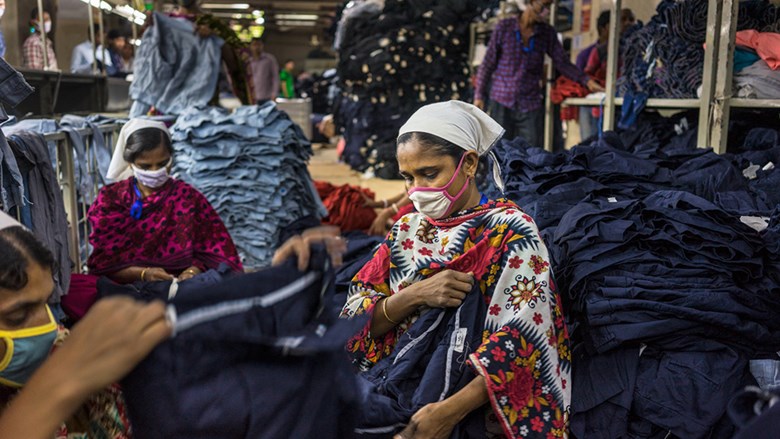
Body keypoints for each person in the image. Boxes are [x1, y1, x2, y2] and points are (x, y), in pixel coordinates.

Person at [341, 101, 571, 437]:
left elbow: (525, 339)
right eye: (408, 177)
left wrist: (447, 413)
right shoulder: (406, 231)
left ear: (469, 164)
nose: (417, 189)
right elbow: (353, 318)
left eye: (430, 173)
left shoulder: (509, 232)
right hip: (390, 387)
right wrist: (414, 295)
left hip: (467, 405)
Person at [0, 212, 169, 439]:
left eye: (47, 302)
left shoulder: (63, 349)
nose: (48, 328)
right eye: (18, 315)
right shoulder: (63, 371)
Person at [87, 119, 243, 282]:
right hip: (127, 289)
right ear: (130, 163)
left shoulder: (187, 198)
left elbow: (216, 252)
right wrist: (144, 274)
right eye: (145, 166)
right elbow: (102, 264)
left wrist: (191, 272)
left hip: (184, 288)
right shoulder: (111, 199)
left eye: (162, 164)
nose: (155, 172)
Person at [474, 0, 602, 148]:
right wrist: (479, 96)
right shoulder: (505, 27)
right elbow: (488, 63)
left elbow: (562, 62)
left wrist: (587, 81)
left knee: (531, 154)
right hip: (502, 101)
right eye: (543, 6)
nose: (546, 11)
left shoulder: (546, 33)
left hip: (530, 103)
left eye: (549, 7)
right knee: (498, 152)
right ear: (530, 2)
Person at [576, 10, 610, 140]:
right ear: (603, 28)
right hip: (590, 107)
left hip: (613, 107)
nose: (628, 24)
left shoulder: (626, 53)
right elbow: (578, 84)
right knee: (590, 146)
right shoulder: (586, 55)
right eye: (624, 20)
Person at [249, 37, 280, 104]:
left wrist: (274, 93)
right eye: (254, 45)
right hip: (252, 97)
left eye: (259, 45)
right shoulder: (248, 61)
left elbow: (275, 77)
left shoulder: (270, 59)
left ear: (262, 46)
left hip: (267, 96)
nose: (256, 47)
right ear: (250, 46)